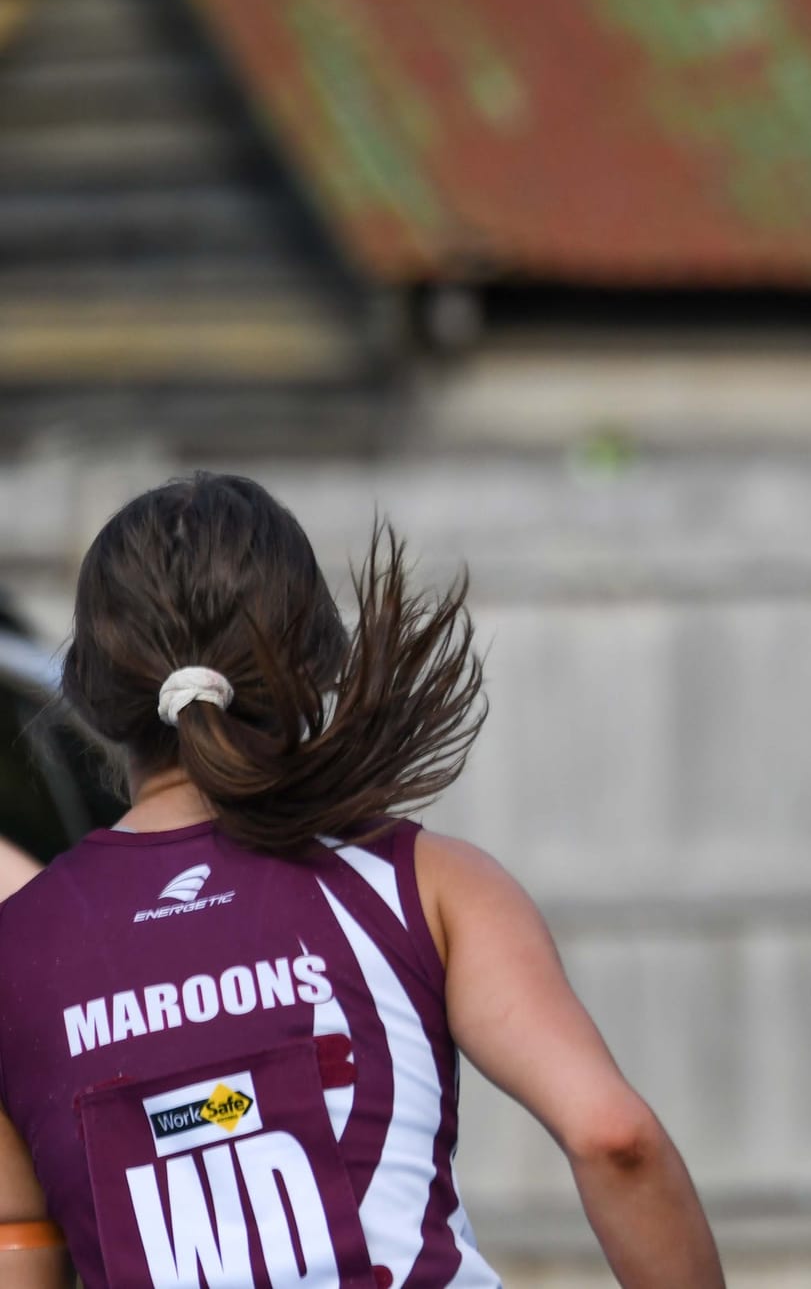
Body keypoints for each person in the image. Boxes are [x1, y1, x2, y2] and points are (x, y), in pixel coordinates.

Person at [0, 474, 724, 1289]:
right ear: (312, 665)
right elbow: (613, 1138)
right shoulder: (423, 882)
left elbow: (21, 1248)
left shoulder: (15, 953)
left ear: (93, 693)